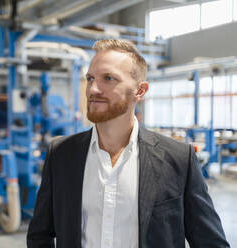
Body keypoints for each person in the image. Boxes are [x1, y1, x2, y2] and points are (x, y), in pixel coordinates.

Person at [27, 39, 229, 248]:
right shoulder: (61, 154)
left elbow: (211, 243)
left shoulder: (178, 159)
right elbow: (39, 235)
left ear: (140, 91)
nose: (93, 89)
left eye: (108, 78)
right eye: (90, 78)